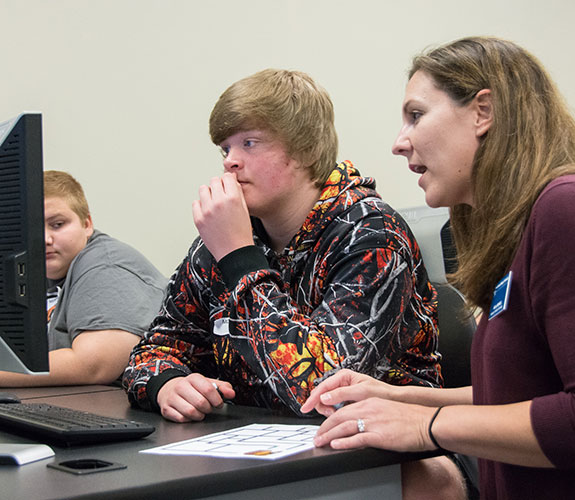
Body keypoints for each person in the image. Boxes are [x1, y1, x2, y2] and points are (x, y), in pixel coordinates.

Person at [301, 36, 575, 500]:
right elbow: (518, 398)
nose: (400, 143)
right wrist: (397, 398)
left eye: (416, 115)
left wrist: (426, 425)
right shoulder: (519, 228)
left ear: (484, 111)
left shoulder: (568, 206)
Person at [123, 69, 442, 423]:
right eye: (225, 148)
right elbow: (153, 350)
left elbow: (322, 392)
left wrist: (240, 259)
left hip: (383, 449)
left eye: (250, 143)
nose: (230, 160)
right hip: (262, 443)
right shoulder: (225, 240)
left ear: (304, 150)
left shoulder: (372, 235)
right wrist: (167, 384)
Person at [0, 170, 167, 387]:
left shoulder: (106, 265)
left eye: (57, 224)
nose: (45, 239)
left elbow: (95, 365)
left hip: (124, 412)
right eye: (31, 228)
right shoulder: (35, 274)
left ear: (87, 224)